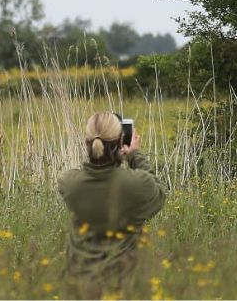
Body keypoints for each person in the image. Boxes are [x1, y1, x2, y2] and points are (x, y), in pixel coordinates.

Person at [58, 112, 167, 299]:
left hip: (81, 287)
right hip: (123, 285)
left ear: (87, 142)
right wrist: (134, 155)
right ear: (120, 141)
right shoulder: (136, 184)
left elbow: (86, 173)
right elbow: (158, 192)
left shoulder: (68, 183)